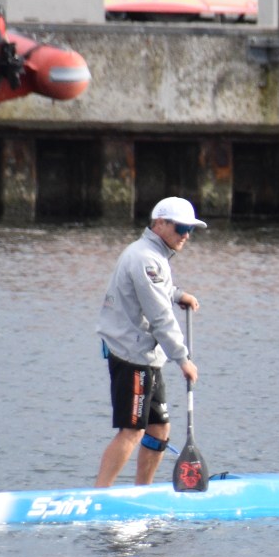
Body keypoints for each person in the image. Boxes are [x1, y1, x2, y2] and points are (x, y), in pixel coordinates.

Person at [94, 197, 205, 487]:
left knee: (158, 428)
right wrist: (183, 359)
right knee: (132, 431)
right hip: (131, 353)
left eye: (190, 229)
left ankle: (143, 493)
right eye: (181, 227)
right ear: (159, 224)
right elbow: (160, 317)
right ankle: (98, 495)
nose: (186, 235)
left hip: (145, 354)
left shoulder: (153, 255)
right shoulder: (146, 259)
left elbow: (159, 291)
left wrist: (179, 295)